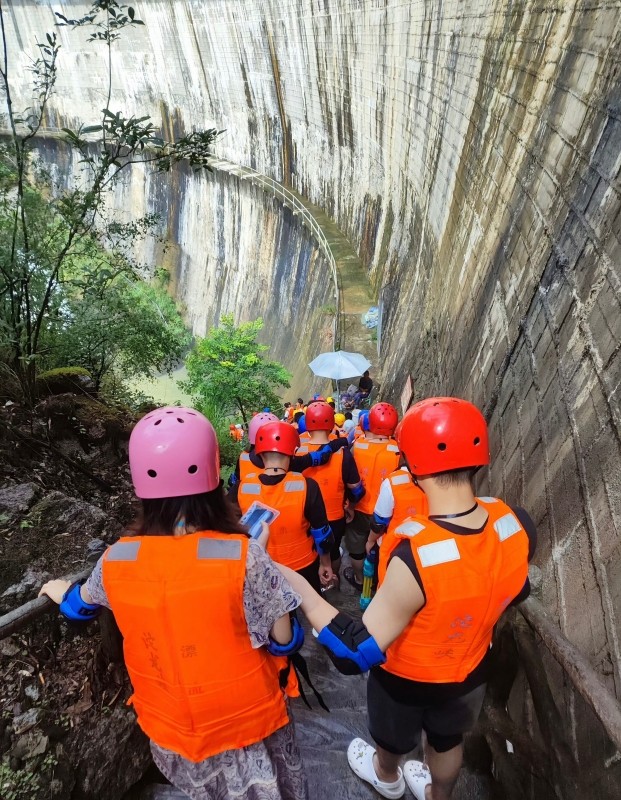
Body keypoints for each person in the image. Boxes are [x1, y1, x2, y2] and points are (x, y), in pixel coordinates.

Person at [39, 406, 309, 800]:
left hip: (170, 730)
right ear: (213, 475)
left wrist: (58, 588)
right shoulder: (244, 554)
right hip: (247, 725)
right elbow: (283, 639)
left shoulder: (117, 558)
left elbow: (79, 606)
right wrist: (260, 559)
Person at [275, 396, 535, 800]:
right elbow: (516, 590)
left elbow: (353, 652)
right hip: (470, 671)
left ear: (412, 465)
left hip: (407, 679)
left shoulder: (416, 555)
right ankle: (438, 796)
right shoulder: (515, 522)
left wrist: (297, 583)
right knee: (448, 740)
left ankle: (387, 776)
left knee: (393, 738)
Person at [237, 421, 336, 593]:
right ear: (293, 452)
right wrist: (326, 563)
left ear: (259, 454)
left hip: (262, 567)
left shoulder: (241, 488)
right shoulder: (307, 486)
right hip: (303, 566)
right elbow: (322, 533)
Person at [296, 401, 365, 590]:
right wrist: (350, 506)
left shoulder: (298, 453)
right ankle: (332, 581)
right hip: (334, 517)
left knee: (311, 552)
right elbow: (356, 488)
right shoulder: (343, 454)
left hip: (304, 517)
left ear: (307, 424)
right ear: (331, 424)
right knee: (333, 552)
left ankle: (314, 585)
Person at [345, 403, 400, 589]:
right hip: (387, 513)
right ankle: (381, 581)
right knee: (384, 547)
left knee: (356, 548)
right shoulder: (399, 451)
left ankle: (360, 580)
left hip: (359, 508)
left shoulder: (356, 447)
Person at [369, 457, 429, 583]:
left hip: (397, 550)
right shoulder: (444, 478)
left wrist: (370, 541)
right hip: (429, 548)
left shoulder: (391, 483)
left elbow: (379, 522)